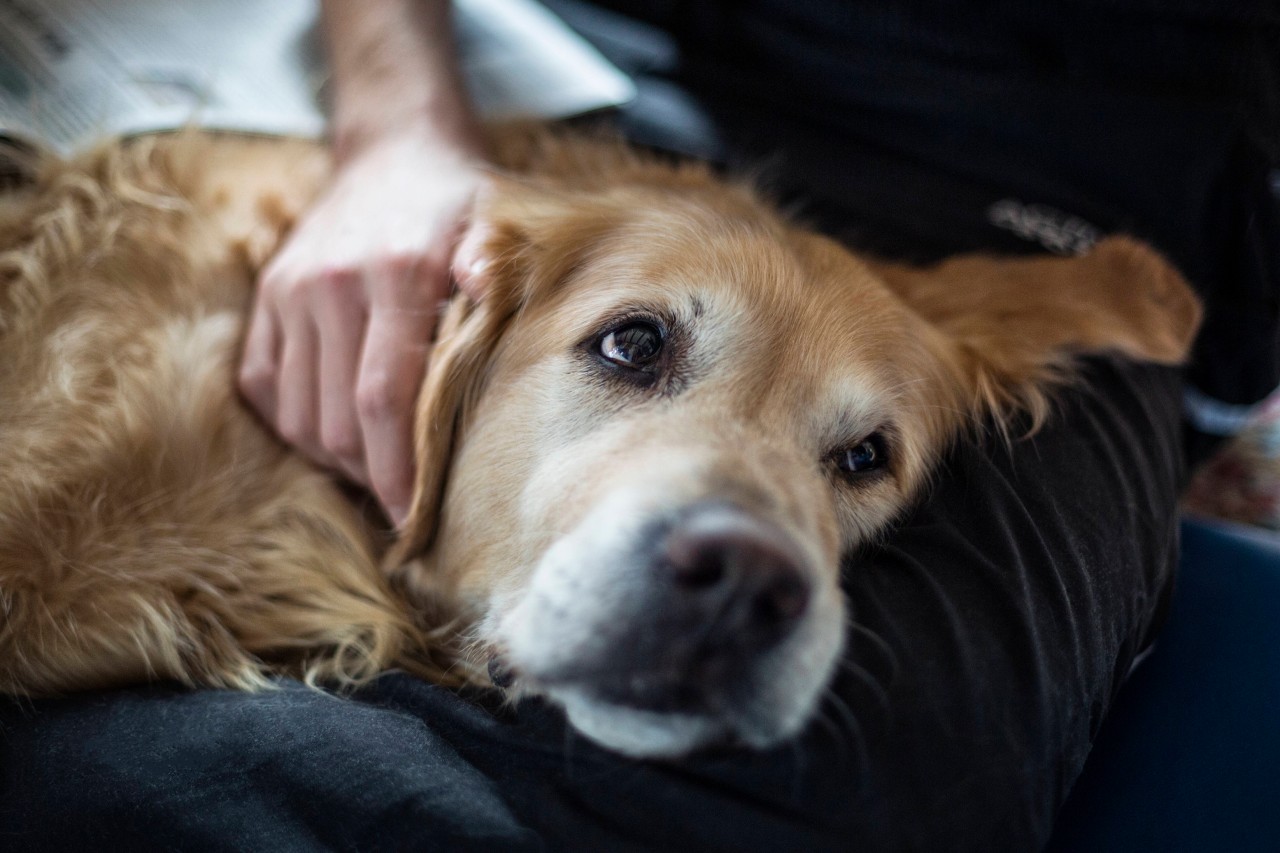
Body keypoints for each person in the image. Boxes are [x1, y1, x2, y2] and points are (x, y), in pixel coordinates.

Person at [1, 1, 1275, 850]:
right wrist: (398, 130)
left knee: (884, 796)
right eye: (635, 350)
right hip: (574, 46)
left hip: (1060, 166)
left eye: (857, 459)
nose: (748, 552)